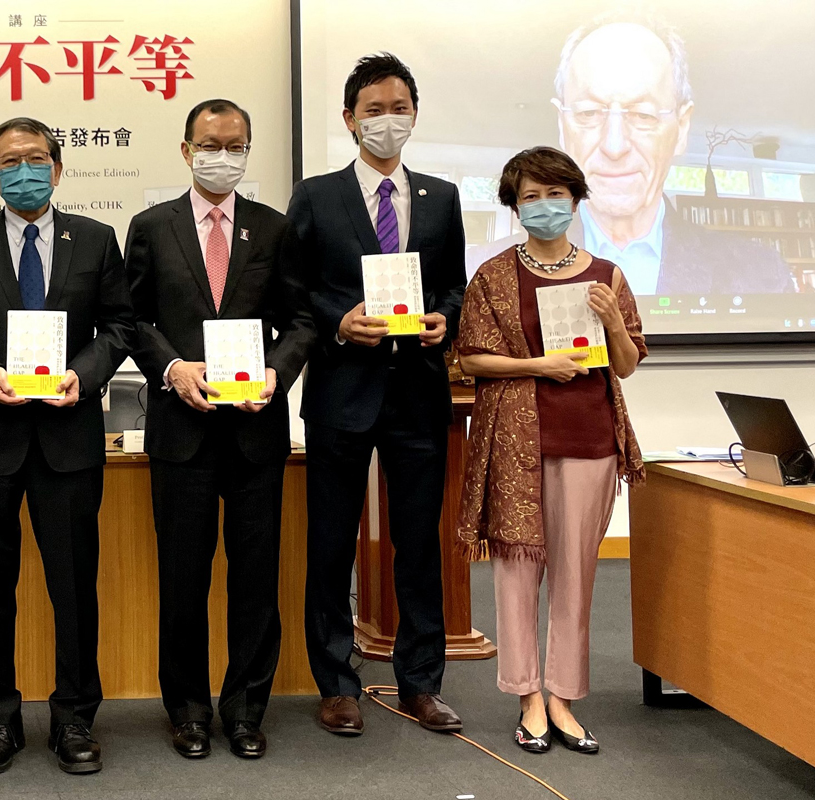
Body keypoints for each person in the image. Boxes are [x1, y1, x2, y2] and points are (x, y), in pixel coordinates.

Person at [0, 116, 134, 776]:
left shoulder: (95, 240)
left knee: (73, 586)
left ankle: (74, 718)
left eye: (37, 158)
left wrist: (85, 374)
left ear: (59, 168)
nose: (24, 169)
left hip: (68, 438)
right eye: (9, 161)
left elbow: (120, 325)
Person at [283, 53, 467, 737]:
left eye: (399, 108)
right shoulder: (315, 195)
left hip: (418, 392)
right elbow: (292, 292)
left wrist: (447, 317)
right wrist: (339, 321)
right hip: (340, 391)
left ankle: (421, 682)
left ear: (414, 114)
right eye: (374, 110)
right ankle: (336, 683)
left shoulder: (440, 197)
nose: (387, 121)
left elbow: (454, 283)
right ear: (348, 119)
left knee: (419, 544)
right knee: (330, 542)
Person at [124, 99, 314, 760]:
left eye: (235, 145)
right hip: (181, 429)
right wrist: (171, 368)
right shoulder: (150, 226)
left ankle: (245, 709)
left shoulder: (274, 227)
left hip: (256, 429)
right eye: (210, 145)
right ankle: (187, 710)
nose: (222, 156)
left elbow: (302, 321)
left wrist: (278, 372)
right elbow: (133, 320)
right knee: (183, 577)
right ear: (185, 150)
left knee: (256, 579)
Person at [456, 146, 646, 756]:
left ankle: (563, 696)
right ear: (515, 206)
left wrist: (613, 321)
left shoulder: (608, 274)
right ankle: (527, 695)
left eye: (555, 195)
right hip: (515, 442)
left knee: (576, 574)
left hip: (590, 442)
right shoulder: (491, 275)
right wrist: (539, 366)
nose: (544, 206)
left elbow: (627, 363)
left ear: (575, 199)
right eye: (530, 197)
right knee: (516, 571)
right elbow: (470, 358)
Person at [471, 14, 795, 295]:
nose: (615, 147)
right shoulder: (483, 271)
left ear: (681, 128)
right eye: (588, 113)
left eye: (643, 115)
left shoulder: (760, 273)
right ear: (563, 124)